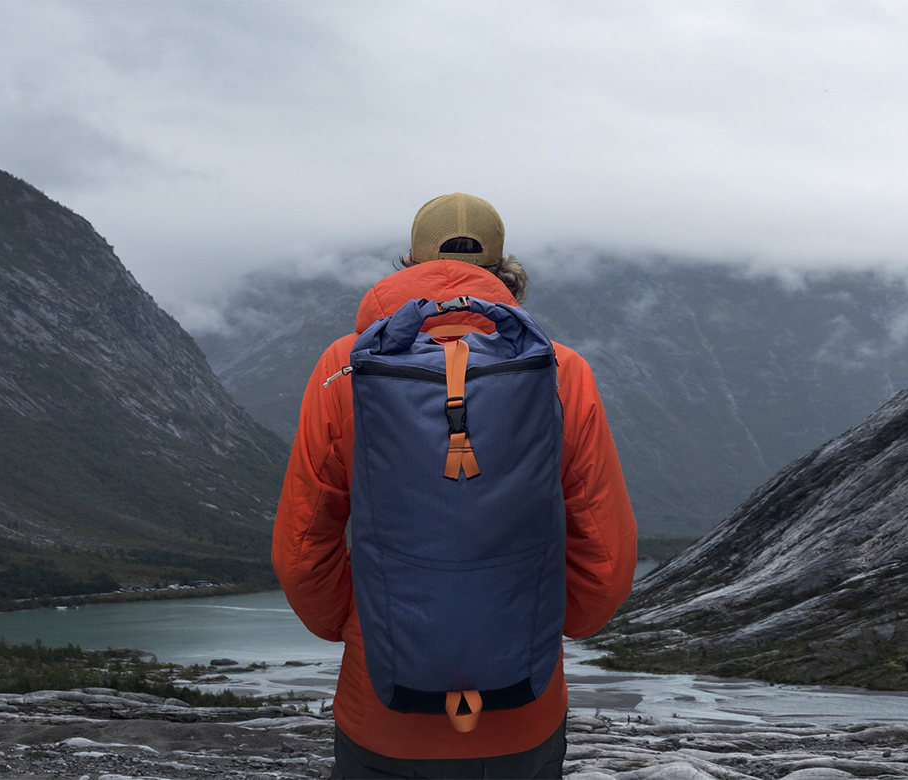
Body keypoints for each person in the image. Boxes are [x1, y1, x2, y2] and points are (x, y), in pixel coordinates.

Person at [273, 193, 639, 779]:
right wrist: (541, 620)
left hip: (384, 710)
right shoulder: (561, 370)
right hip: (524, 706)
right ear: (505, 273)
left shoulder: (344, 368)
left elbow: (301, 548)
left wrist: (363, 624)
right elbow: (607, 556)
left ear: (409, 265)